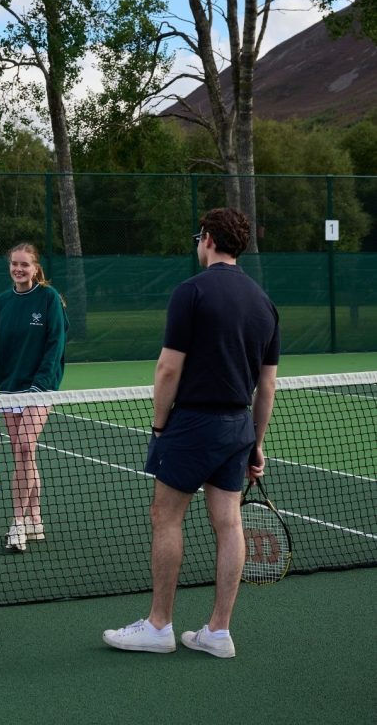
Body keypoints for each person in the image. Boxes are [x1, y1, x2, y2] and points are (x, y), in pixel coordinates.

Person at [103, 207, 280, 658]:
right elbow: (267, 385)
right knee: (229, 523)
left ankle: (159, 626)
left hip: (192, 424)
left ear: (207, 239)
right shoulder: (264, 302)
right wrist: (255, 443)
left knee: (166, 517)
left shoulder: (191, 292)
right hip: (237, 426)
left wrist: (160, 426)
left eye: (198, 236)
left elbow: (167, 370)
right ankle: (218, 632)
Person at [0, 242, 69, 553]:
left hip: (40, 389)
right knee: (25, 454)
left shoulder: (48, 298)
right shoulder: (2, 302)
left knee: (23, 446)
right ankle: (35, 518)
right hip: (7, 389)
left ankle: (17, 523)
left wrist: (41, 384)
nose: (19, 269)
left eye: (24, 265)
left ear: (35, 268)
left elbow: (55, 344)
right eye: (14, 264)